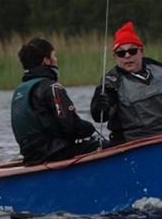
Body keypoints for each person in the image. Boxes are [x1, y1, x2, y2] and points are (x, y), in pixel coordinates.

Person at [11, 37, 102, 165]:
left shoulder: (19, 91)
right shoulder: (52, 87)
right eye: (54, 56)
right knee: (103, 145)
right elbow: (70, 126)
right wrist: (89, 128)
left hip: (31, 156)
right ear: (46, 60)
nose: (56, 60)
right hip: (56, 153)